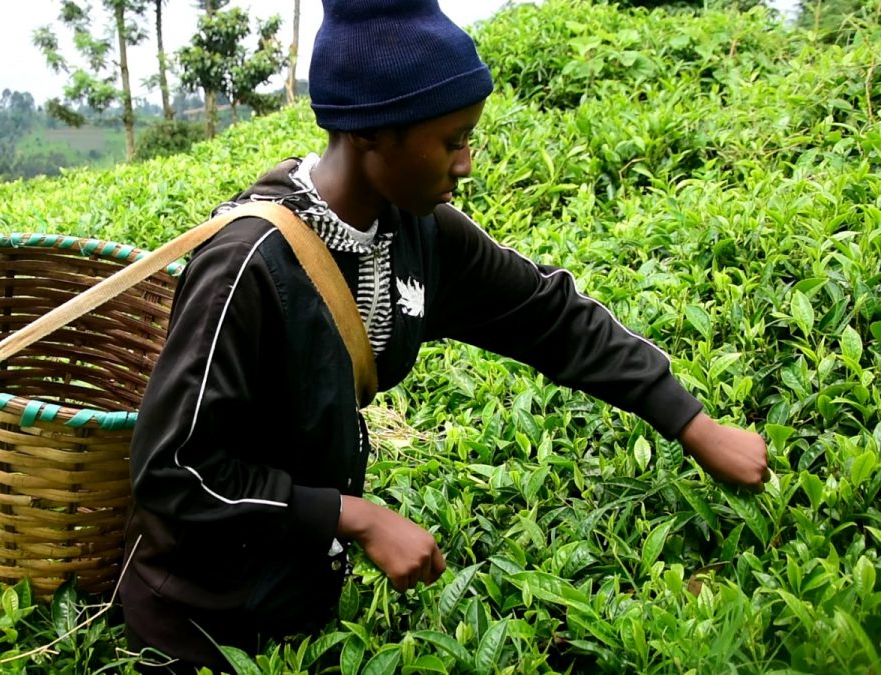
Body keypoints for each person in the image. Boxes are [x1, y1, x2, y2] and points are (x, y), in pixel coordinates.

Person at [117, 0, 769, 670]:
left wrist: (693, 424)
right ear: (371, 132)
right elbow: (173, 469)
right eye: (452, 140)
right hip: (194, 624)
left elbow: (549, 316)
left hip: (301, 608)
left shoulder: (415, 230)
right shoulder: (248, 265)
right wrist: (355, 516)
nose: (466, 162)